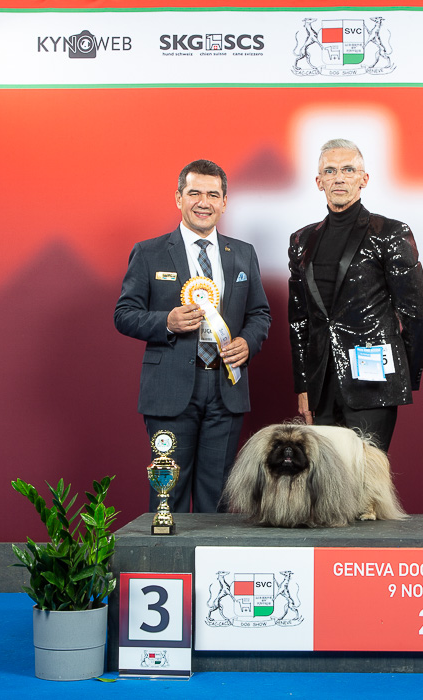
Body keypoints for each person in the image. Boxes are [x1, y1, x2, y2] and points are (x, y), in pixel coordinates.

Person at [115, 159, 271, 512]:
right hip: (169, 391)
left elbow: (260, 314)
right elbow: (123, 315)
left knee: (217, 497)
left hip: (226, 388)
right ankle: (164, 549)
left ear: (224, 202)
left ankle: (211, 552)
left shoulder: (242, 253)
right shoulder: (149, 252)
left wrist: (248, 342)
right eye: (194, 193)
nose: (204, 202)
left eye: (213, 195)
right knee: (166, 493)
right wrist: (167, 322)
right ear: (178, 198)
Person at [288, 139, 423, 453]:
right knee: (326, 476)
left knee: (365, 474)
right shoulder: (301, 240)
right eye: (330, 171)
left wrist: (399, 372)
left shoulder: (389, 233)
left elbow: (416, 312)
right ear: (319, 182)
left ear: (363, 179)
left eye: (348, 170)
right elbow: (299, 321)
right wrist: (304, 385)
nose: (339, 178)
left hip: (374, 382)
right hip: (321, 383)